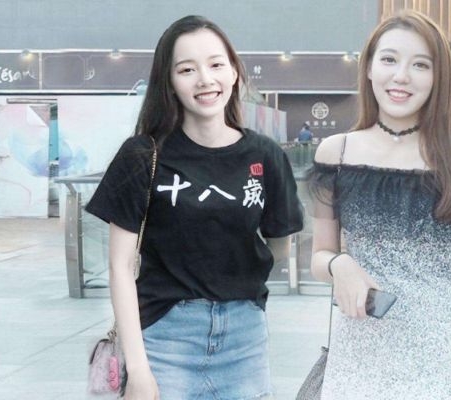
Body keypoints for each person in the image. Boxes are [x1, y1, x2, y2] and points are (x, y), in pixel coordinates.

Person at [308, 10, 451, 399]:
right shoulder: (336, 152)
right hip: (358, 351)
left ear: (438, 77)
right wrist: (341, 266)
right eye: (389, 59)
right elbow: (319, 256)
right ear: (369, 68)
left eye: (420, 64)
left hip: (440, 353)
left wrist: (438, 305)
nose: (401, 76)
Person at [85, 15, 303, 400]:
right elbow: (120, 267)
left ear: (234, 72)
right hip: (164, 337)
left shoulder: (266, 156)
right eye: (187, 69)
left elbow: (280, 244)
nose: (205, 79)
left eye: (216, 64)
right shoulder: (142, 154)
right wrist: (138, 369)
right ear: (169, 82)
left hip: (245, 340)